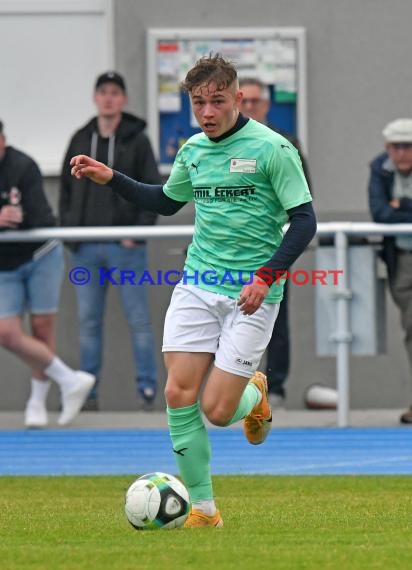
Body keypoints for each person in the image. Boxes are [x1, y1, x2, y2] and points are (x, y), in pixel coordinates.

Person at [70, 54, 316, 527]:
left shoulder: (273, 149)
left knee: (218, 411)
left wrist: (266, 276)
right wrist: (112, 178)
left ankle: (254, 394)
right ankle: (204, 510)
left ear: (238, 99)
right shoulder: (193, 150)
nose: (207, 112)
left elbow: (304, 221)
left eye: (217, 101)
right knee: (179, 393)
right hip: (198, 284)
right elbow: (165, 201)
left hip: (252, 292)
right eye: (198, 103)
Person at [59, 71, 161, 411]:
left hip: (126, 248)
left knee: (139, 320)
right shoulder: (79, 138)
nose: (108, 98)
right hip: (86, 248)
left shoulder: (137, 140)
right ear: (95, 97)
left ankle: (147, 390)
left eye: (115, 92)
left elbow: (154, 188)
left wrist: (138, 232)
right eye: (103, 92)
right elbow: (66, 190)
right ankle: (87, 393)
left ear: (124, 99)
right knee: (88, 322)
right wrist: (70, 234)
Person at [0, 120, 94, 428]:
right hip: (4, 263)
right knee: (6, 331)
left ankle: (36, 402)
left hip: (41, 254)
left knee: (42, 327)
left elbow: (40, 216)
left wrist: (17, 217)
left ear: (4, 140)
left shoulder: (23, 166)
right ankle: (69, 380)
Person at [239, 77, 312, 408]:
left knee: (276, 318)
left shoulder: (286, 144)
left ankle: (275, 388)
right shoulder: (224, 143)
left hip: (274, 249)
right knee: (229, 316)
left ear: (266, 105)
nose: (251, 107)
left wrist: (284, 245)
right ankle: (237, 388)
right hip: (233, 251)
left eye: (257, 102)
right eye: (246, 101)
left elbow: (302, 205)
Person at [368, 118, 412, 425]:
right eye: (397, 147)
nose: (403, 153)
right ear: (388, 148)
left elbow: (391, 210)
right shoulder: (378, 168)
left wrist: (401, 204)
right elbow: (380, 213)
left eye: (409, 146)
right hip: (402, 259)